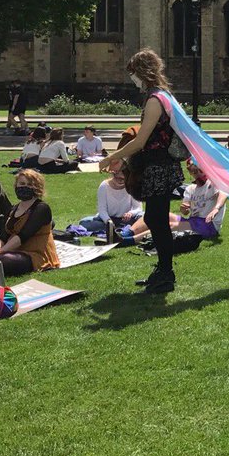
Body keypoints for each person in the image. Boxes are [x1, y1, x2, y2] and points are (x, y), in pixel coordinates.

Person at [98, 49, 183, 295]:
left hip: (159, 167)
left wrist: (113, 156)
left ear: (142, 72)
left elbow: (141, 140)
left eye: (133, 73)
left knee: (158, 221)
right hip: (157, 166)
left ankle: (166, 274)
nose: (132, 78)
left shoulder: (156, 99)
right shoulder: (161, 95)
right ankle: (163, 270)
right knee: (156, 221)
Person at [78, 162, 143, 236]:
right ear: (113, 175)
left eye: (122, 179)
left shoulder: (131, 185)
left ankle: (124, 229)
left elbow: (138, 208)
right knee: (84, 222)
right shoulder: (104, 186)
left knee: (143, 217)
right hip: (109, 219)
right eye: (117, 178)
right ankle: (124, 229)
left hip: (127, 219)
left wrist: (131, 213)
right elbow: (102, 210)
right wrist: (108, 221)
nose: (120, 181)